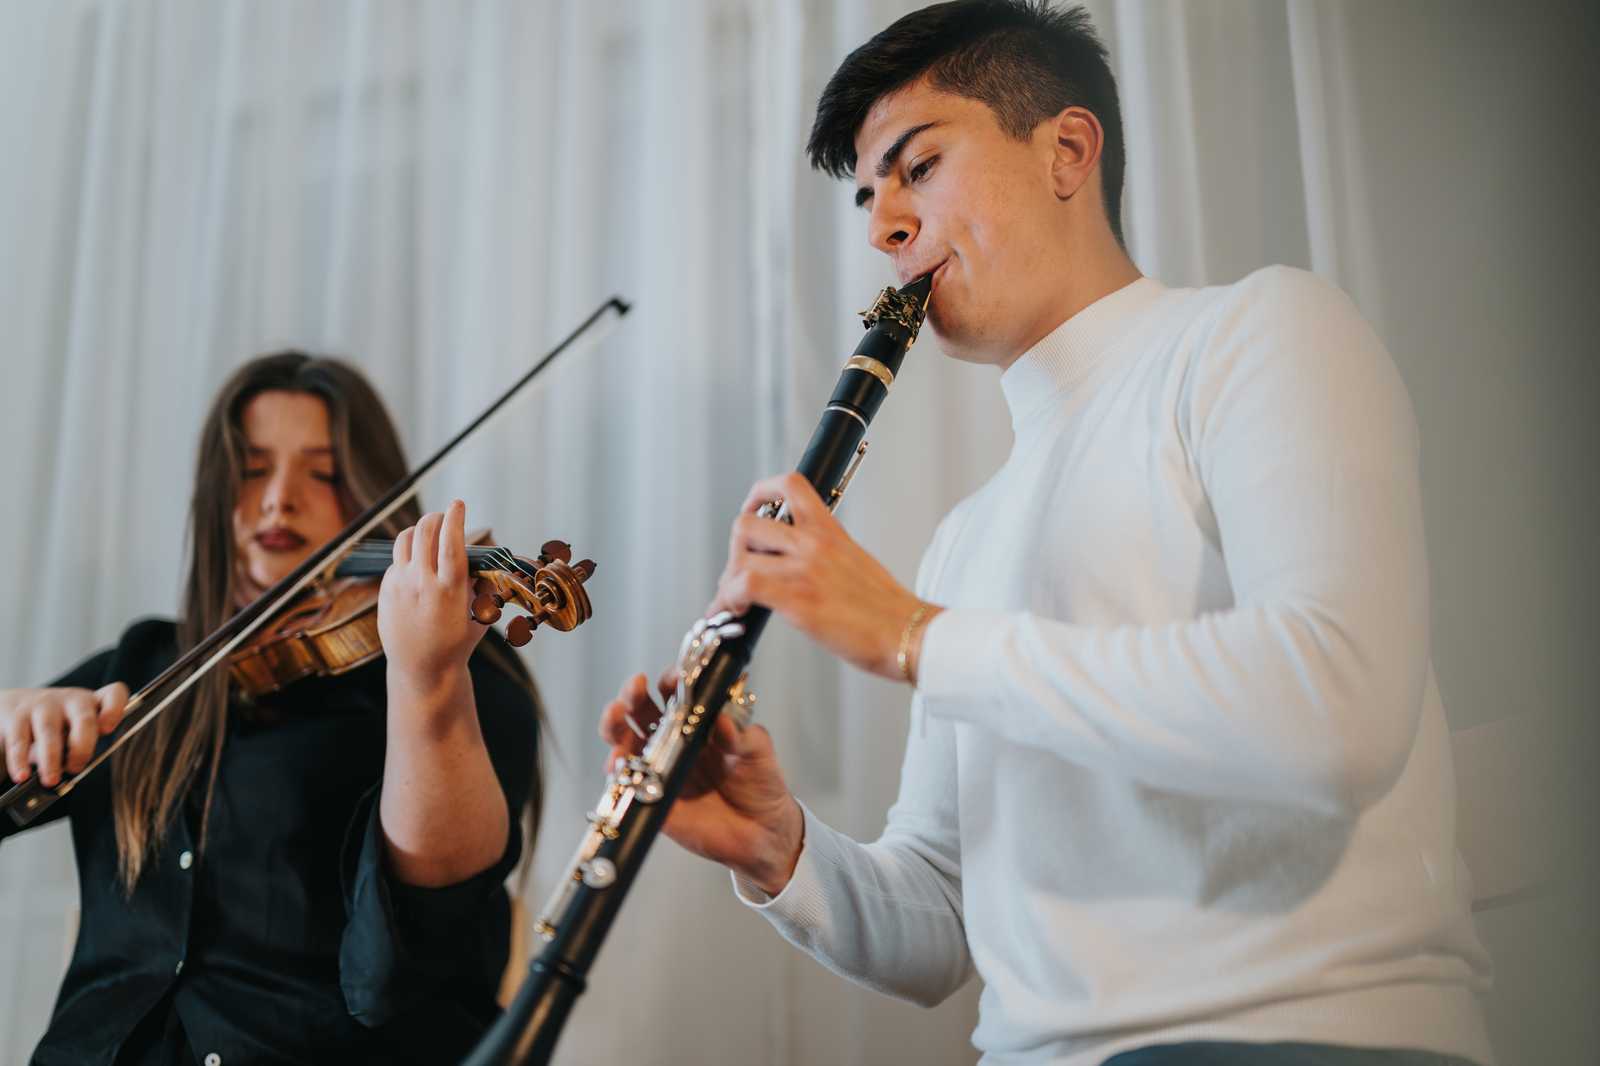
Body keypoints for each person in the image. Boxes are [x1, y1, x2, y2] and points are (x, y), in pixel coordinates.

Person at [601, 3, 1494, 1064]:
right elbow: (945, 922)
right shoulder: (964, 538)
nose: (884, 226)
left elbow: (1335, 704)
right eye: (869, 197)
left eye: (918, 167)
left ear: (1068, 150)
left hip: (1296, 1036)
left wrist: (915, 636)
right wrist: (778, 847)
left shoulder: (1258, 332)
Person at [0, 352, 542, 1065]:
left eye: (323, 474)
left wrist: (426, 678)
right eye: (253, 469)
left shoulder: (455, 668)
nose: (280, 499)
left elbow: (401, 965)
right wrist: (11, 718)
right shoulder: (145, 667)